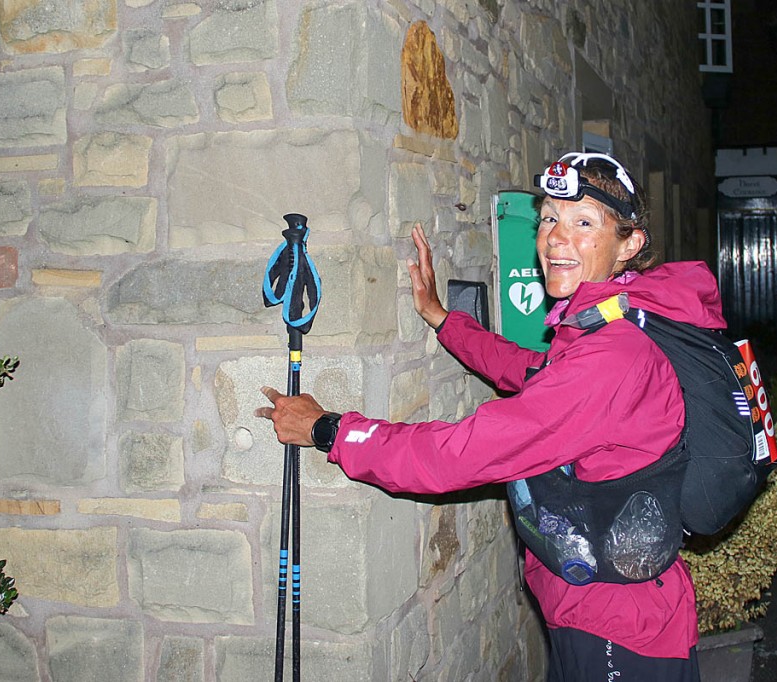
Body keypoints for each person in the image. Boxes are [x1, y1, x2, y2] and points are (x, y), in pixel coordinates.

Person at [257, 152, 727, 681]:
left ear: (629, 244)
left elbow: (463, 453)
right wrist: (444, 319)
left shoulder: (614, 357)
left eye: (583, 222)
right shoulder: (618, 320)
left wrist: (329, 430)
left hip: (619, 631)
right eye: (549, 217)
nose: (555, 238)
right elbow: (535, 372)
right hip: (617, 613)